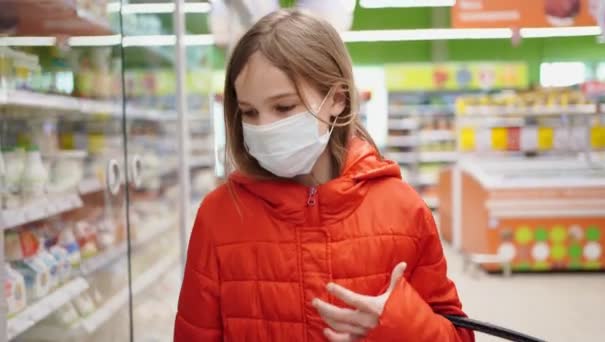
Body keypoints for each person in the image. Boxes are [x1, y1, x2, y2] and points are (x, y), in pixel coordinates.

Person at [175, 9, 473, 342]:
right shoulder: (220, 216)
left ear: (338, 99)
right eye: (249, 112)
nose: (264, 127)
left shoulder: (403, 209)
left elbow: (458, 335)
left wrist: (399, 324)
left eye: (284, 107)